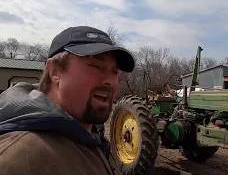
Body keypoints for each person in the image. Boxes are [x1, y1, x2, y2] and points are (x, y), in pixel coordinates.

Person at [0, 26, 135, 175]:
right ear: (55, 71)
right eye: (95, 66)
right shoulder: (19, 159)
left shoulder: (90, 142)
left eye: (114, 72)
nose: (109, 81)